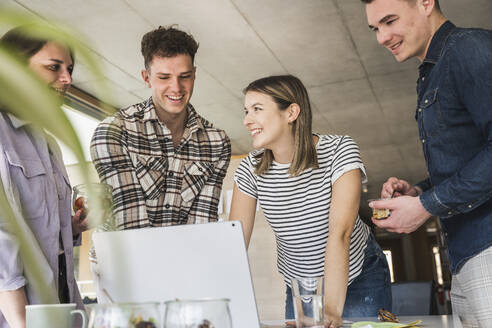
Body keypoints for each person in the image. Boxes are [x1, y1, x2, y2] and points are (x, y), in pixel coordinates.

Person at [362, 0, 492, 326]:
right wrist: (418, 191)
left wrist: (427, 205)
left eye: (389, 21)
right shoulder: (430, 73)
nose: (382, 37)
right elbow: (466, 160)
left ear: (425, 2)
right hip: (466, 255)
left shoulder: (469, 49)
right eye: (376, 28)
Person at [230, 75, 391, 327]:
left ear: (291, 112)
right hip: (300, 285)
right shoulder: (250, 168)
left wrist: (329, 309)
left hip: (359, 276)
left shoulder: (339, 150)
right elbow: (234, 242)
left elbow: (340, 233)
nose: (247, 120)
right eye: (246, 111)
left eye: (257, 109)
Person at [90, 26, 231, 229]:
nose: (176, 87)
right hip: (122, 256)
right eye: (164, 77)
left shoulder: (217, 142)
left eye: (184, 76)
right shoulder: (114, 131)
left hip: (180, 256)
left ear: (194, 75)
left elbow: (201, 226)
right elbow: (130, 226)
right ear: (146, 78)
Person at [0, 26, 86, 328]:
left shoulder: (48, 142)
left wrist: (73, 226)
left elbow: (44, 228)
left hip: (59, 305)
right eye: (54, 67)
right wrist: (22, 323)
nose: (67, 79)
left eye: (69, 69)